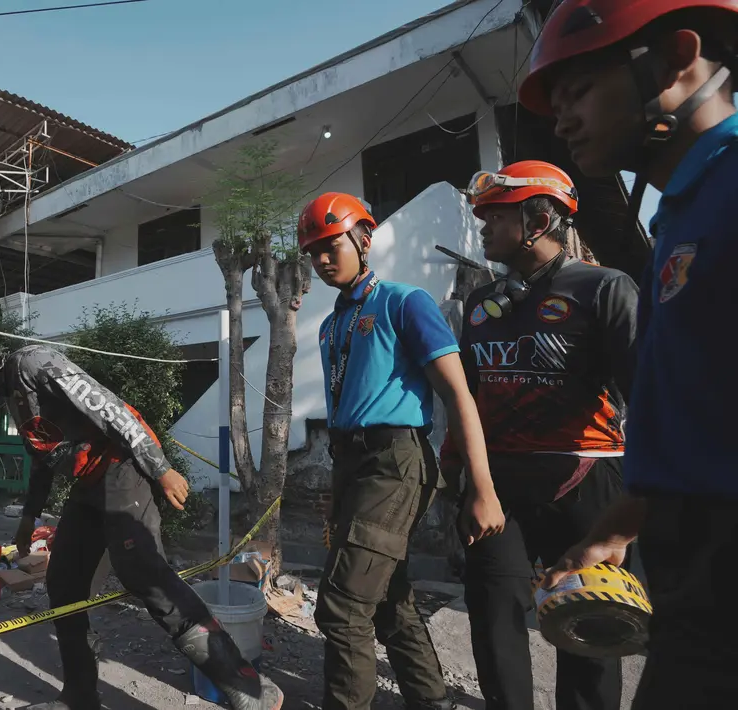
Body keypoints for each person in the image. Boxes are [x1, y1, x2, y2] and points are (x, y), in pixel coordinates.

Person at [519, 1, 738, 707]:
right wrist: (622, 522)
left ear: (676, 59)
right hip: (692, 562)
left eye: (578, 89)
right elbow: (699, 405)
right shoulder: (684, 209)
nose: (562, 119)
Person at [0, 329, 283, 710]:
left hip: (122, 468)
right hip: (89, 483)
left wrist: (160, 469)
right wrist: (29, 515)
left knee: (145, 576)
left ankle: (248, 686)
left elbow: (111, 409)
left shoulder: (33, 363)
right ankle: (80, 696)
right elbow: (43, 454)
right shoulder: (13, 394)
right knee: (64, 584)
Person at [444, 161, 639, 710]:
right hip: (498, 484)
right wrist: (456, 469)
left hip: (587, 479)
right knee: (494, 615)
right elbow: (470, 395)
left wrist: (633, 511)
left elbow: (647, 392)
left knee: (587, 622)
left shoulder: (605, 288)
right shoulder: (482, 305)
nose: (481, 226)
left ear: (539, 217)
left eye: (494, 216)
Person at [298, 193, 503, 710]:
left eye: (330, 246)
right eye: (312, 252)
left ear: (363, 239)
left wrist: (482, 486)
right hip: (353, 465)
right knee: (388, 598)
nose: (322, 259)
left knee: (342, 609)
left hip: (396, 463)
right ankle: (431, 701)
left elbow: (458, 394)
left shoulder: (405, 302)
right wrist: (335, 487)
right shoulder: (329, 326)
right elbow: (346, 412)